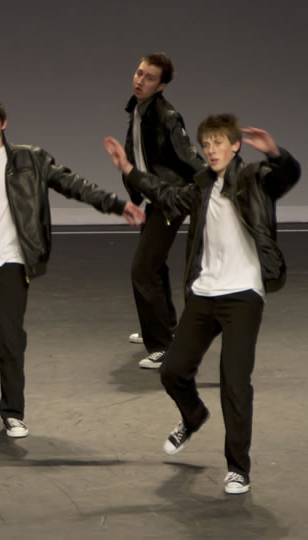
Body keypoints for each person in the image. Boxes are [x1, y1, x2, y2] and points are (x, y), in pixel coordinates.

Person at [0, 96, 144, 438]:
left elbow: (73, 184)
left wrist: (115, 205)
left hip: (12, 261)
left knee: (9, 338)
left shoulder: (31, 158)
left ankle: (12, 412)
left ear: (3, 123)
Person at [104, 114, 300, 495]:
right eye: (206, 144)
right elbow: (164, 194)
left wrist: (275, 151)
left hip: (243, 294)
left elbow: (288, 175)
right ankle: (193, 417)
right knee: (172, 371)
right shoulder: (200, 188)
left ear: (235, 145)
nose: (211, 150)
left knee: (235, 381)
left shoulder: (256, 179)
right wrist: (129, 169)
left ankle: (237, 468)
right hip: (206, 293)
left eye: (218, 143)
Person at [121, 53, 207, 368]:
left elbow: (190, 158)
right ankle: (165, 325)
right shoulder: (137, 109)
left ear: (162, 85)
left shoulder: (168, 115)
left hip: (171, 197)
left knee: (143, 268)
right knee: (153, 266)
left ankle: (163, 346)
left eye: (149, 77)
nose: (140, 80)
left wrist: (214, 185)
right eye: (139, 72)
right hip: (155, 196)